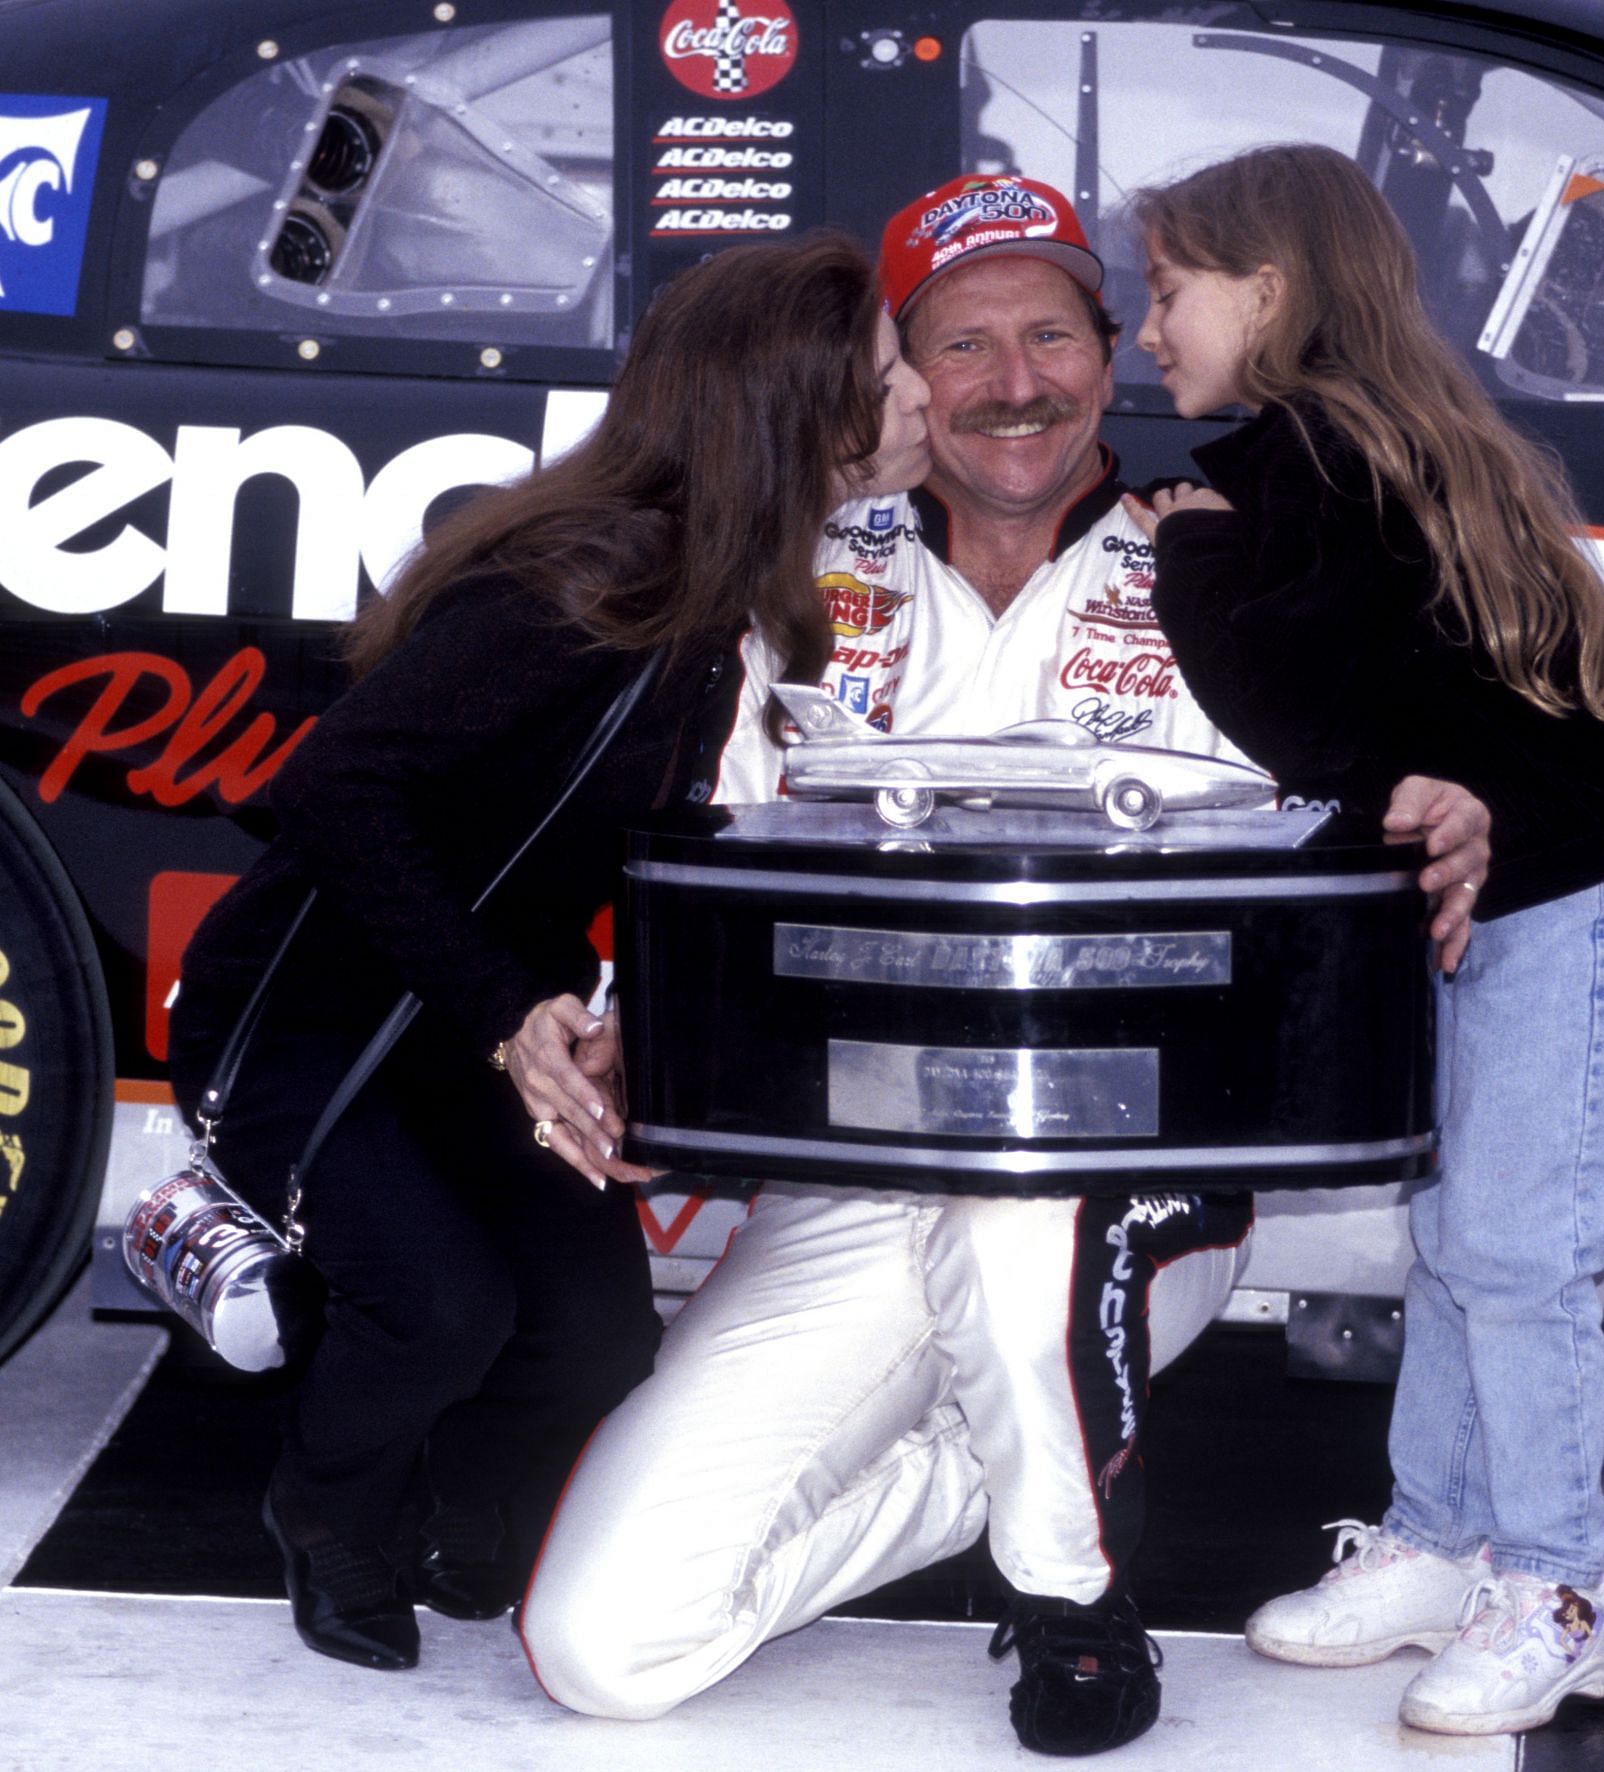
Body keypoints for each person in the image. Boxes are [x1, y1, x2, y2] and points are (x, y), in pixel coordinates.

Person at [520, 174, 1491, 1757]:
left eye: (1052, 332)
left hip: (1123, 1182)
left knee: (1018, 1218)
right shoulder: (799, 575)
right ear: (894, 381)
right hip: (850, 1176)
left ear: (1113, 353)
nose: (1015, 382)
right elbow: (702, 860)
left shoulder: (1233, 558)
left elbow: (1405, 773)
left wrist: (1455, 798)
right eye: (961, 345)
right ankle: (1036, 1453)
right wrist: (614, 1029)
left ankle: (1067, 1595)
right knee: (599, 1647)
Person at [167, 232, 923, 1674]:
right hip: (315, 1019)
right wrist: (510, 1009)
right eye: (886, 378)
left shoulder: (725, 590)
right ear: (791, 414)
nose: (916, 403)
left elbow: (644, 850)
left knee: (590, 1341)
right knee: (444, 1309)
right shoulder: (579, 579)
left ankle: (465, 1504)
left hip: (474, 1019)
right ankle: (325, 1514)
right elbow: (330, 791)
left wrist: (619, 1031)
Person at [1125, 144, 1604, 1736]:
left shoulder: (1313, 462)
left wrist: (1188, 541)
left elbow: (1292, 717)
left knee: (1516, 1249)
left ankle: (1562, 1583)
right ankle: (1442, 1540)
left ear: (1271, 289)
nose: (1146, 330)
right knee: (1460, 1236)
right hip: (1510, 868)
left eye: (1169, 294)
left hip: (1568, 877)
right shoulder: (1372, 439)